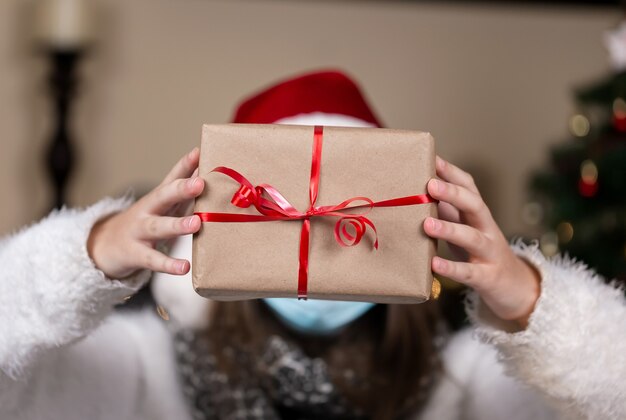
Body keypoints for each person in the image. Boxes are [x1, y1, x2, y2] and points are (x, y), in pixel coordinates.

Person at [0, 70, 624, 420]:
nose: (311, 225)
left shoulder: (467, 385)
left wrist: (532, 304)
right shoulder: (142, 367)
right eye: (279, 215)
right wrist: (91, 252)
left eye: (339, 218)